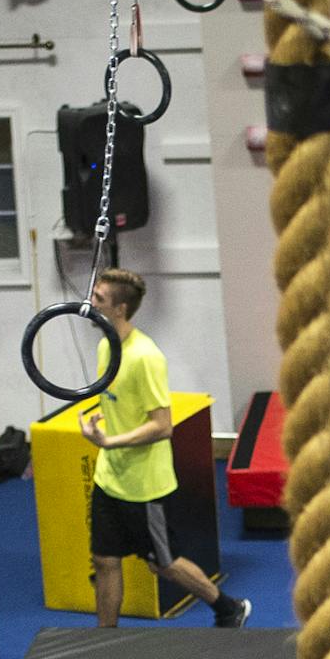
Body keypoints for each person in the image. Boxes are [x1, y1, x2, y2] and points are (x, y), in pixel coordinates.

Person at [76, 268, 249, 628]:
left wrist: (109, 441)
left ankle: (227, 607)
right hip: (110, 478)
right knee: (105, 560)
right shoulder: (106, 346)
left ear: (120, 309)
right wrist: (97, 423)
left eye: (99, 300)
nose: (90, 305)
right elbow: (119, 403)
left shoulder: (146, 357)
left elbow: (162, 426)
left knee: (163, 563)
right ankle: (103, 641)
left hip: (145, 486)